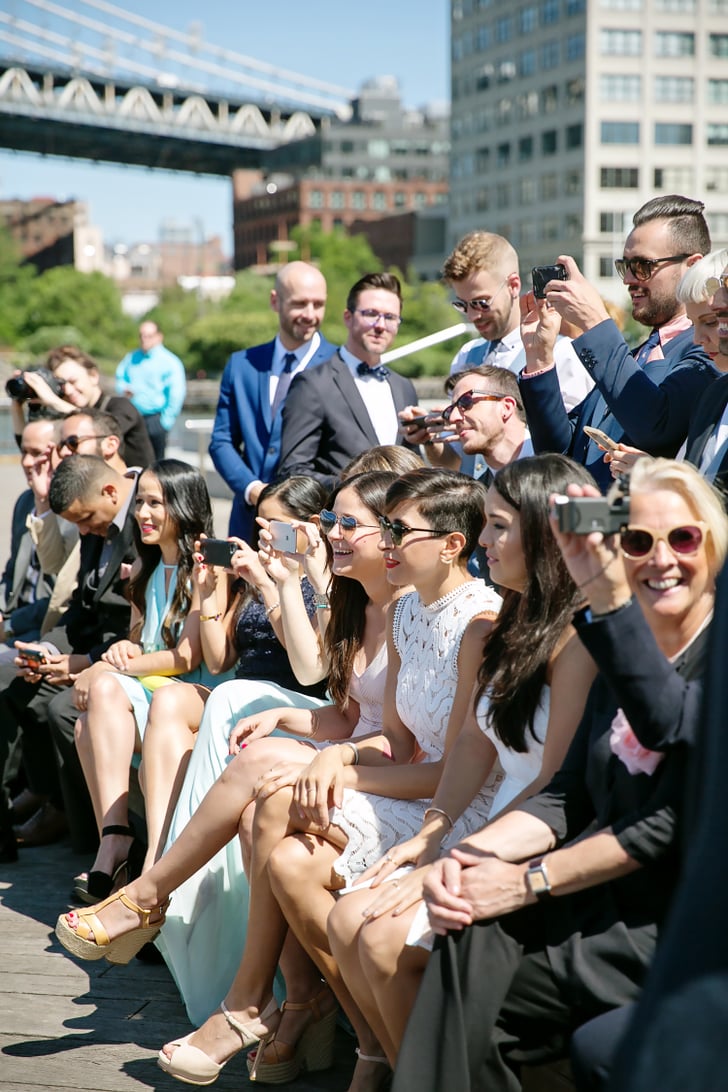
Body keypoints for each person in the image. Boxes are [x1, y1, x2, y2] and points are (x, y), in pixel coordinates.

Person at [53, 469, 501, 1092]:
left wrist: (338, 758)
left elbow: (449, 768)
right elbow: (389, 736)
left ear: (451, 544)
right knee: (282, 837)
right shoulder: (405, 614)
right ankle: (327, 1027)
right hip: (405, 776)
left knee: (268, 786)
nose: (379, 541)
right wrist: (313, 731)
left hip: (456, 808)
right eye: (347, 525)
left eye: (387, 528)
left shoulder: (474, 620)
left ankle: (209, 960)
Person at [390, 456, 727, 1092]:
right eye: (638, 540)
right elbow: (566, 790)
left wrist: (526, 881)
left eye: (683, 538)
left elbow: (666, 812)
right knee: (467, 927)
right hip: (609, 898)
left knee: (486, 940)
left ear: (714, 544)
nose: (662, 559)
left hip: (680, 914)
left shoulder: (691, 650)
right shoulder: (623, 644)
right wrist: (469, 855)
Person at [326, 454, 598, 1066]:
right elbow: (475, 743)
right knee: (346, 921)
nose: (483, 540)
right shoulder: (501, 628)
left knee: (383, 939)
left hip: (535, 839)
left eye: (500, 526)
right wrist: (432, 832)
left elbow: (556, 787)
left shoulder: (576, 641)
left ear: (547, 533)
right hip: (480, 821)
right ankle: (408, 1072)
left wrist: (453, 858)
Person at [69, 460, 225, 903]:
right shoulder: (148, 568)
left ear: (184, 504)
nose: (142, 512)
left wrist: (110, 667)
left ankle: (116, 845)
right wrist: (121, 651)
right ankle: (114, 842)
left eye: (155, 502)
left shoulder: (207, 568)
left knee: (101, 691)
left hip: (191, 694)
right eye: (139, 501)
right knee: (84, 725)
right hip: (150, 691)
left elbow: (188, 656)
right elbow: (140, 644)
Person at [519, 194, 717, 490]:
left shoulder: (707, 353)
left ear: (691, 266)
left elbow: (655, 428)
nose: (629, 280)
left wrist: (594, 323)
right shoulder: (632, 355)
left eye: (643, 266)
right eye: (625, 266)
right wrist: (539, 358)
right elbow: (557, 455)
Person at [2, 456, 138, 853]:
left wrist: (86, 663)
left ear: (110, 492)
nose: (83, 531)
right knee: (8, 678)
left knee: (65, 707)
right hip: (84, 649)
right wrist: (48, 650)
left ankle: (93, 839)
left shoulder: (140, 524)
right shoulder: (97, 520)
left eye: (86, 520)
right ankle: (34, 805)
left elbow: (132, 627)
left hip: (122, 656)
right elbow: (82, 607)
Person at [209, 261, 334, 540]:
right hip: (249, 523)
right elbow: (221, 441)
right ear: (275, 301)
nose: (310, 314)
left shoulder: (340, 368)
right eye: (300, 304)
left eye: (319, 304)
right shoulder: (242, 365)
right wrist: (252, 488)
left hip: (312, 529)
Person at [278, 273, 418, 491]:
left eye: (390, 317)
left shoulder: (404, 387)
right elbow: (293, 472)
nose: (380, 325)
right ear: (348, 317)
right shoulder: (312, 384)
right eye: (371, 314)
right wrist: (355, 487)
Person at [444, 231, 593, 411]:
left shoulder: (563, 354)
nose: (472, 316)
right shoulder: (466, 355)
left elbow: (574, 433)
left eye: (481, 303)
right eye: (463, 305)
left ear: (513, 285)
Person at [8, 346, 154, 469]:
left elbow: (102, 428)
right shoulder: (67, 415)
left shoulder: (121, 406)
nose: (69, 390)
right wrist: (17, 404)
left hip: (135, 496)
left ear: (93, 376)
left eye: (73, 381)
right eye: (62, 385)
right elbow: (32, 449)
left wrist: (53, 400)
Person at [115, 321, 186, 460]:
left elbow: (176, 394)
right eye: (142, 335)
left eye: (149, 335)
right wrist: (124, 389)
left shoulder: (170, 361)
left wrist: (165, 421)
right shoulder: (131, 358)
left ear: (159, 336)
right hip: (133, 416)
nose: (144, 339)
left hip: (155, 418)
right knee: (131, 461)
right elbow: (120, 378)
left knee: (156, 465)